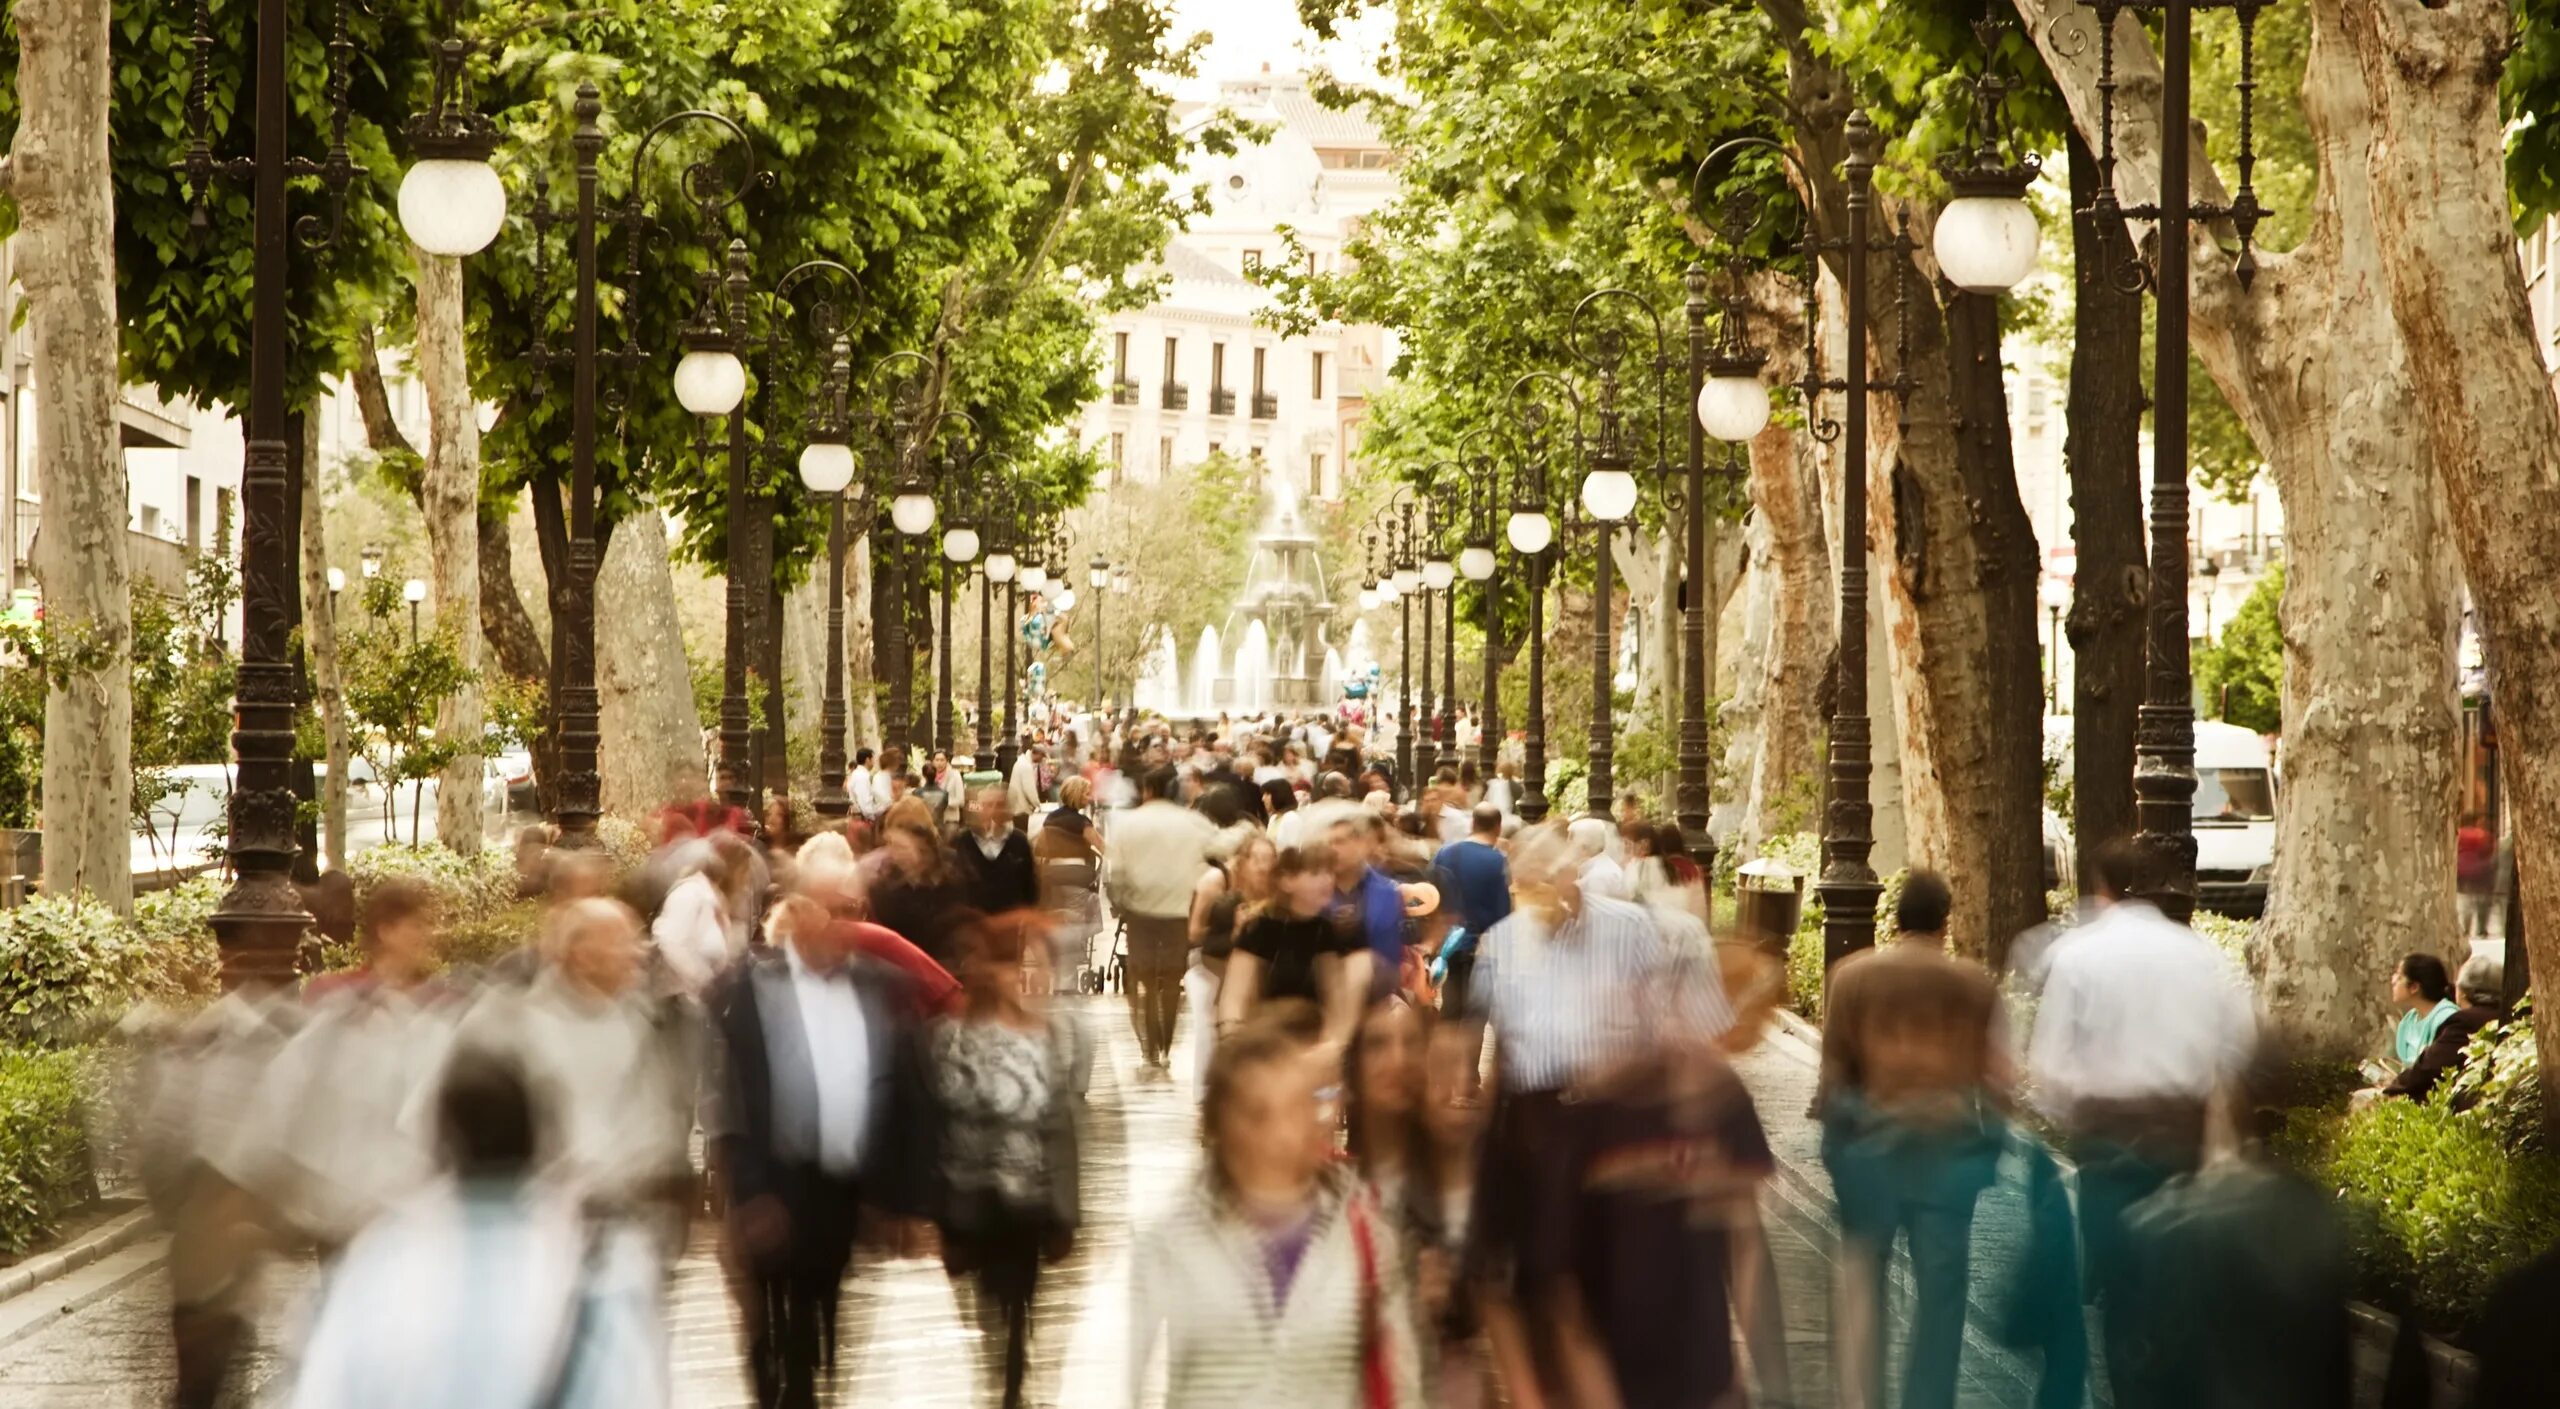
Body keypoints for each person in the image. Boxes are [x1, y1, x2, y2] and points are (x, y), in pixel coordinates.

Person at [1463, 824, 1741, 1405]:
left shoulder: (1630, 929)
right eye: (1527, 882)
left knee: (1611, 1286)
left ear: (1573, 874)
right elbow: (1499, 1043)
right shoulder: (1504, 941)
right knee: (1552, 1286)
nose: (1542, 892)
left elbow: (1671, 1027)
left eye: (1549, 876)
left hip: (1614, 1119)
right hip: (1537, 1126)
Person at [285, 1051, 669, 1409]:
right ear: (539, 1139)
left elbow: (326, 1393)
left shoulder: (378, 1261)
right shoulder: (601, 1261)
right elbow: (636, 1390)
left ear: (438, 1142)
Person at [2024, 839, 2256, 1409]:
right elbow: (2239, 1046)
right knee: (2181, 1287)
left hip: (2109, 1147)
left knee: (2123, 1299)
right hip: (2183, 1143)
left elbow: (2049, 1066)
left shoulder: (2079, 954)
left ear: (2100, 888)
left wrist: (2071, 1117)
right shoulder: (2200, 954)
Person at [1128, 1008, 1425, 1407]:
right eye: (1259, 1114)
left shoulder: (1364, 1227)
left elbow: (1401, 1373)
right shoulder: (1173, 1239)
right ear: (1221, 1127)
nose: (1283, 1134)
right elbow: (1133, 1378)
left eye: (1300, 1105)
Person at [708, 892, 935, 1409]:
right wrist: (746, 1190)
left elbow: (901, 1089)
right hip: (774, 1174)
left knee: (824, 1286)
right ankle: (778, 1379)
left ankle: (809, 1377)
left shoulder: (874, 984)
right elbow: (732, 1097)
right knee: (768, 1295)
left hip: (838, 1177)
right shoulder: (751, 992)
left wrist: (902, 1198)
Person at [1815, 870, 2004, 1409]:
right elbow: (1994, 1081)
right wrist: (1987, 1150)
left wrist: (1836, 1151)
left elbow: (1833, 1076)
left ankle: (1863, 1399)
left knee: (1863, 1291)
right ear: (1945, 922)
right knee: (1941, 1300)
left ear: (1895, 916)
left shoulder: (1852, 977)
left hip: (1872, 1151)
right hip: (1945, 1158)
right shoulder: (1973, 984)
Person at [930, 909, 1091, 1409]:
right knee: (986, 1309)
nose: (1027, 977)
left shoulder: (1061, 1037)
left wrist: (1068, 1211)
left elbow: (1066, 1129)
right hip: (973, 1199)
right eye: (1016, 965)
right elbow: (940, 1124)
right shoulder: (951, 1038)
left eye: (1039, 965)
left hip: (1029, 1201)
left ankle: (1012, 1384)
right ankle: (1000, 1373)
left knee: (1020, 1303)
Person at [1102, 765, 1216, 1071]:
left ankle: (1148, 1046)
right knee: (1171, 979)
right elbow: (1212, 862)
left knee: (1145, 981)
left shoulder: (1129, 823)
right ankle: (1166, 1043)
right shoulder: (1196, 823)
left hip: (1141, 913)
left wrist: (1121, 903)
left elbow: (1117, 871)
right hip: (1181, 912)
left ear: (1148, 790)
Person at [1221, 844, 1365, 1044]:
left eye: (1329, 872)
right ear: (1287, 881)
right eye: (1315, 873)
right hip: (1264, 1043)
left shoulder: (1325, 930)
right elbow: (1235, 996)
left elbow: (1334, 997)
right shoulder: (1260, 928)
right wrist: (1232, 1036)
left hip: (1312, 1045)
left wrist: (1334, 1045)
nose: (1328, 880)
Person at [2365, 954, 2505, 1106]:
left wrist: (2391, 1089)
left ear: (2463, 992)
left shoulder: (2461, 1020)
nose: (2393, 981)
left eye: (2399, 976)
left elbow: (2429, 1066)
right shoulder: (2506, 1014)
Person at [1315, 801, 1407, 1005]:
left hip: (1375, 1001)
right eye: (1329, 843)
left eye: (1340, 842)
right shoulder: (1311, 892)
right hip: (1321, 1003)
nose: (1333, 849)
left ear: (1361, 844)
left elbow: (1391, 959)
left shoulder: (1387, 892)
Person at [1430, 805, 1511, 1019]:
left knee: (1449, 1010)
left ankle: (1445, 1052)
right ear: (1498, 828)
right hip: (1482, 950)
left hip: (1447, 946)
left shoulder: (1445, 852)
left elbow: (1430, 894)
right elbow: (1502, 914)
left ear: (1472, 824)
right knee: (1475, 1017)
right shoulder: (1498, 862)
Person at [870, 812, 972, 971]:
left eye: (900, 846)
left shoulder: (951, 880)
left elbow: (961, 928)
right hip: (902, 971)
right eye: (889, 844)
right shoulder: (884, 887)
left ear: (923, 847)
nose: (893, 853)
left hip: (945, 970)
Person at [653, 832, 748, 997]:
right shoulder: (690, 894)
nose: (746, 880)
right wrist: (702, 981)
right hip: (683, 1002)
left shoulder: (717, 901)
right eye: (744, 871)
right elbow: (670, 943)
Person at [953, 781, 1041, 916]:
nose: (993, 810)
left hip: (1009, 922)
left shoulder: (1019, 842)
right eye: (988, 805)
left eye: (1000, 805)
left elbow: (1029, 886)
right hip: (973, 922)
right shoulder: (963, 841)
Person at [2384, 951, 2459, 1072]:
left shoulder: (2447, 1018)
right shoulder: (2409, 1020)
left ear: (2414, 987)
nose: (2393, 981)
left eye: (2399, 976)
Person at [1565, 814, 1631, 900]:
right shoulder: (1600, 867)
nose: (1567, 844)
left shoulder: (1597, 877)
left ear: (1584, 848)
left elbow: (1593, 911)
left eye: (1571, 839)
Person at [2458, 813, 2497, 939]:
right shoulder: (2482, 835)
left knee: (2465, 901)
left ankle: (2465, 929)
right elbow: (2490, 852)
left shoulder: (2458, 834)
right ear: (2475, 821)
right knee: (2482, 902)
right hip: (2480, 872)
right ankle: (2481, 929)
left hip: (2461, 871)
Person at [1009, 740, 1046, 827]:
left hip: (1015, 807)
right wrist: (1037, 804)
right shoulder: (1026, 766)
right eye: (1042, 756)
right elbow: (1029, 789)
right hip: (1021, 809)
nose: (1042, 759)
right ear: (1038, 754)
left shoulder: (1020, 762)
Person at [849, 747, 886, 822]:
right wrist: (873, 819)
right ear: (867, 760)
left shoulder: (858, 774)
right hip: (864, 820)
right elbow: (865, 804)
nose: (874, 762)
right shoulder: (861, 777)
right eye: (873, 759)